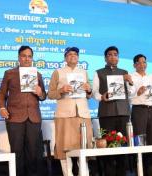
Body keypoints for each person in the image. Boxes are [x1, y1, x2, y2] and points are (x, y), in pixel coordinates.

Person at [0, 45, 46, 176]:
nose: (27, 59)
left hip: (34, 118)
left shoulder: (38, 74)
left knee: (33, 152)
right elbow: (1, 94)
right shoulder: (9, 73)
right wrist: (2, 108)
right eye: (24, 56)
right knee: (17, 152)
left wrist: (40, 93)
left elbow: (43, 96)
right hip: (14, 117)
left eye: (29, 56)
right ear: (19, 57)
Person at [48, 47, 93, 176]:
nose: (73, 56)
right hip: (64, 115)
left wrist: (88, 89)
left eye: (75, 54)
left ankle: (84, 173)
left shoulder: (83, 72)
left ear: (78, 57)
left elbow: (89, 95)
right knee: (64, 148)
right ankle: (67, 174)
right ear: (65, 57)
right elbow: (50, 94)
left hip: (83, 114)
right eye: (69, 54)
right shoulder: (58, 72)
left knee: (83, 147)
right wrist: (61, 90)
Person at [92, 46, 133, 176]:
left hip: (123, 113)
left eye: (115, 54)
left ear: (118, 57)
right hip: (106, 113)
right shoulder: (99, 72)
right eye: (110, 55)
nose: (113, 57)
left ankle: (122, 173)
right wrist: (102, 97)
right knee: (108, 147)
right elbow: (94, 92)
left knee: (122, 146)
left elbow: (131, 94)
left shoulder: (125, 72)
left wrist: (130, 81)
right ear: (105, 58)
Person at [130, 54, 152, 176]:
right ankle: (140, 170)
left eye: (144, 62)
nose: (143, 65)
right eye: (140, 63)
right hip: (139, 110)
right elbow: (128, 96)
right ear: (135, 65)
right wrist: (137, 92)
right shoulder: (131, 77)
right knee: (140, 141)